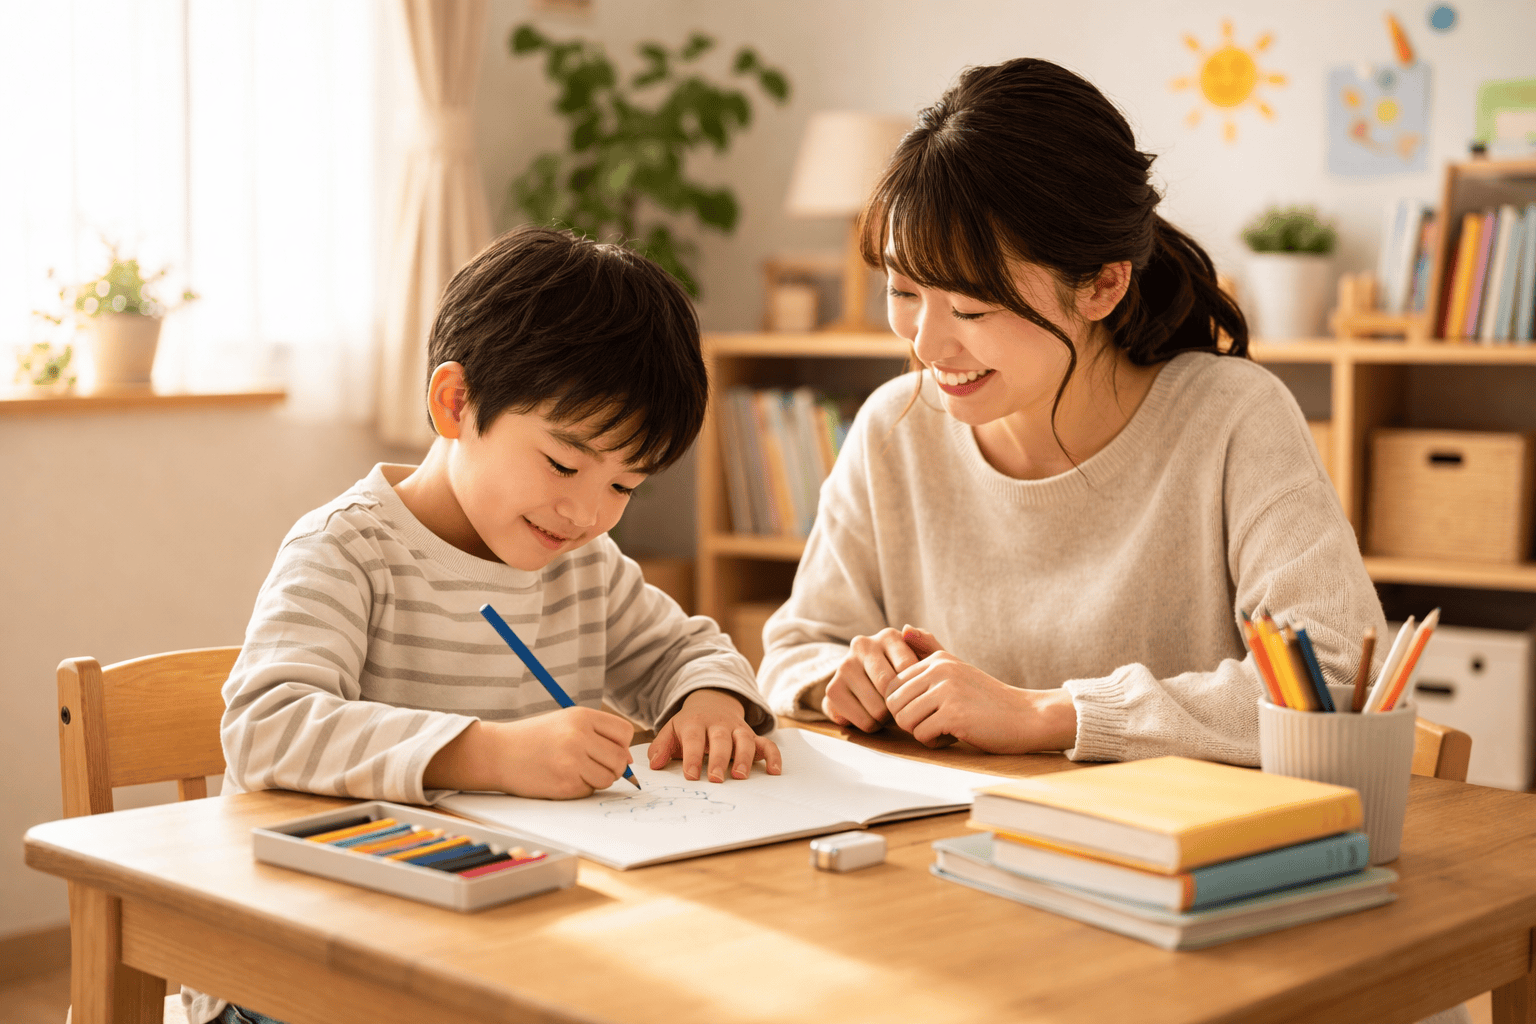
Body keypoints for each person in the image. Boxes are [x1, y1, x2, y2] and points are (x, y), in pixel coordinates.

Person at [200, 227, 780, 1024]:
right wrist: (494, 754)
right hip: (306, 962)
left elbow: (684, 647)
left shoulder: (583, 563)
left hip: (489, 939)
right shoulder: (350, 549)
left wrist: (708, 698)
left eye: (625, 486)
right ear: (455, 403)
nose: (587, 513)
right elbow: (266, 727)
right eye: (565, 465)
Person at [758, 57, 1388, 766]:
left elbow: (1335, 678)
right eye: (903, 292)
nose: (925, 344)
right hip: (950, 847)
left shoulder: (1233, 419)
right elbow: (794, 647)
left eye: (971, 306)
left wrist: (1045, 714)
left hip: (1171, 852)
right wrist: (839, 679)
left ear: (1102, 286)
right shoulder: (892, 426)